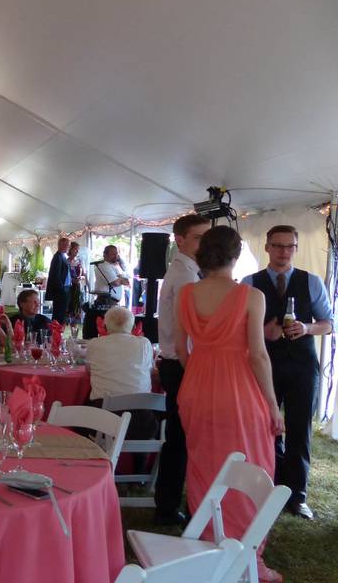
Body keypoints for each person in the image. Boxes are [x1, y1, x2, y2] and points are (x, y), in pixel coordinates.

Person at [175, 226, 284, 582]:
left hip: (197, 387)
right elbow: (258, 356)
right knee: (252, 464)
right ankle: (248, 555)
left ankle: (209, 546)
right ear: (235, 256)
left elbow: (180, 350)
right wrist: (272, 404)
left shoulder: (186, 294)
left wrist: (200, 377)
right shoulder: (249, 296)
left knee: (205, 466)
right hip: (238, 391)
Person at [242, 225, 334, 520]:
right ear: (266, 247)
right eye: (278, 246)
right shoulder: (249, 283)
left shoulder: (312, 282)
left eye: (289, 246)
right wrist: (261, 331)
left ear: (295, 248)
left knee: (299, 429)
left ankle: (297, 495)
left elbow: (328, 323)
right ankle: (266, 488)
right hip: (263, 363)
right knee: (265, 427)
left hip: (302, 365)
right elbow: (238, 327)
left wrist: (307, 328)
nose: (284, 252)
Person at [154, 213, 211, 525]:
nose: (205, 244)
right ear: (180, 240)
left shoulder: (186, 270)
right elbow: (186, 333)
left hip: (176, 362)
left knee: (180, 438)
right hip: (181, 364)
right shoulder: (185, 275)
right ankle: (170, 505)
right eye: (199, 238)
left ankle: (170, 504)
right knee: (182, 439)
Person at [85, 306, 153, 400]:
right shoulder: (144, 344)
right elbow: (149, 370)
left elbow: (88, 370)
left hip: (103, 410)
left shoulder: (94, 344)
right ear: (133, 327)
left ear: (105, 327)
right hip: (141, 408)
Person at [46, 237, 73, 324]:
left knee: (62, 313)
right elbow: (56, 276)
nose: (68, 248)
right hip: (61, 291)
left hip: (65, 289)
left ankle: (58, 331)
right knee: (59, 314)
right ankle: (56, 332)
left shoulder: (63, 256)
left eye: (68, 246)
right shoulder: (57, 257)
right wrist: (61, 289)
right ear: (61, 245)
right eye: (67, 246)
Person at [67, 242, 85, 327]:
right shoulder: (66, 261)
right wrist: (72, 280)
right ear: (70, 249)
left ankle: (74, 331)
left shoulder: (79, 261)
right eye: (75, 249)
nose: (77, 252)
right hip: (69, 289)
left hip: (78, 287)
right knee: (70, 310)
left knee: (77, 311)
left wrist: (80, 278)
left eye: (78, 250)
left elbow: (83, 274)